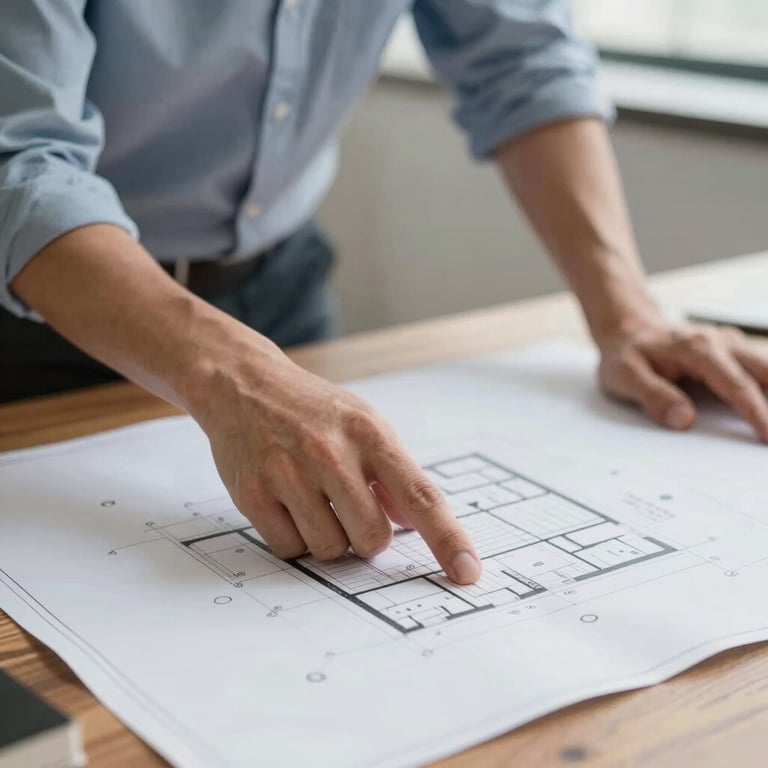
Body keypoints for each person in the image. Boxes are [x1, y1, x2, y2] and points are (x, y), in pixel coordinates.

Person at [2, 2, 767, 586]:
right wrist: (233, 376)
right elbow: (19, 162)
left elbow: (524, 58)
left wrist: (626, 314)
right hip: (35, 313)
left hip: (278, 289)